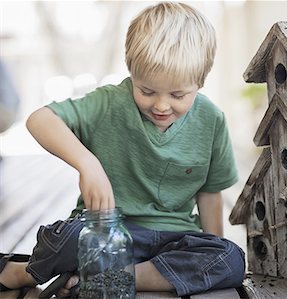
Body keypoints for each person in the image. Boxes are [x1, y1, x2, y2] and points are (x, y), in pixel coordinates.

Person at [0, 2, 245, 297]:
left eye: (178, 94)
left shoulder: (212, 120)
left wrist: (212, 250)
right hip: (107, 231)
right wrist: (87, 164)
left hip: (174, 238)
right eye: (147, 91)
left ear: (200, 81)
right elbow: (39, 120)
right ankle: (22, 272)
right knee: (69, 238)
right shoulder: (109, 103)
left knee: (229, 258)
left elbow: (210, 194)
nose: (162, 105)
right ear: (131, 71)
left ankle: (111, 277)